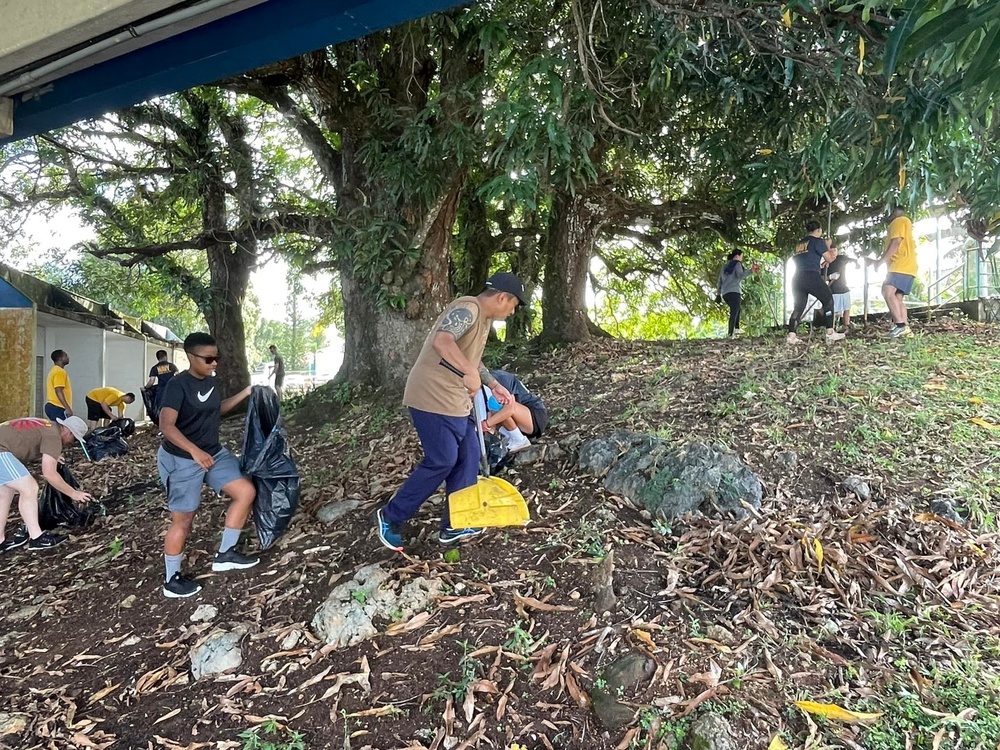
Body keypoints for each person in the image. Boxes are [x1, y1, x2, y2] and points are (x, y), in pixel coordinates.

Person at [376, 272, 525, 552]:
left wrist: (493, 385)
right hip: (432, 396)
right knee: (442, 459)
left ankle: (456, 522)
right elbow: (442, 341)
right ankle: (391, 516)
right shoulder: (468, 308)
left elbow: (473, 362)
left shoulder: (484, 320)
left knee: (468, 456)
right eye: (514, 304)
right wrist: (468, 372)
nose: (513, 310)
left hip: (457, 400)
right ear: (502, 297)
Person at [157, 332, 257, 598]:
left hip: (212, 453)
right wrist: (194, 451)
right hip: (181, 458)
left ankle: (225, 554)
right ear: (191, 357)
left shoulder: (212, 383)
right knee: (184, 520)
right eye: (209, 359)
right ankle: (171, 580)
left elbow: (216, 408)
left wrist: (246, 393)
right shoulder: (177, 386)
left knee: (246, 492)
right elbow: (165, 425)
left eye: (217, 358)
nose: (214, 363)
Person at [0, 415, 93, 552]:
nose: (71, 442)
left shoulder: (47, 426)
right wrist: (74, 493)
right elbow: (49, 473)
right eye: (73, 439)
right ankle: (37, 538)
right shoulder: (54, 436)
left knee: (5, 493)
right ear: (68, 432)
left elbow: (27, 439)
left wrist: (53, 454)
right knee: (30, 488)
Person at [787, 221, 846, 344]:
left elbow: (808, 258)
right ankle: (830, 332)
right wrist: (828, 246)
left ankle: (791, 335)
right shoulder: (818, 242)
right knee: (828, 299)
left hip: (797, 277)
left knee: (799, 306)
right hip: (811, 276)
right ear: (818, 230)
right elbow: (830, 258)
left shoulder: (800, 243)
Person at [481, 370, 547, 453]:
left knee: (496, 404)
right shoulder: (483, 389)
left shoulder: (499, 378)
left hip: (534, 416)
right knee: (492, 410)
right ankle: (512, 437)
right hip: (520, 422)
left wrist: (486, 424)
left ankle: (519, 440)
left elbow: (509, 408)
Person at [881, 207, 917, 338]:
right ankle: (906, 329)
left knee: (887, 290)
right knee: (897, 297)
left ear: (894, 212)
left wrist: (881, 261)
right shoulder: (904, 223)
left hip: (900, 265)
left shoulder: (898, 221)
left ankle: (900, 325)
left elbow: (896, 242)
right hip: (908, 266)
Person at [716, 251, 758, 337]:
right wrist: (751, 270)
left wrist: (718, 294)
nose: (741, 258)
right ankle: (731, 332)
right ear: (737, 256)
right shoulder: (737, 264)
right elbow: (740, 275)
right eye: (741, 256)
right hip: (734, 290)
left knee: (735, 309)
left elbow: (719, 281)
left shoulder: (724, 267)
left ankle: (735, 329)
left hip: (725, 293)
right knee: (735, 310)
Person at [824, 247, 856, 332]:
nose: (833, 252)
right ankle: (832, 329)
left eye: (835, 250)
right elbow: (822, 278)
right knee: (833, 311)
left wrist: (856, 263)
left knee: (847, 309)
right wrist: (829, 277)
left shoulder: (841, 258)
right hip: (834, 290)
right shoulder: (826, 264)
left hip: (844, 288)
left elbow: (851, 259)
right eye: (831, 251)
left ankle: (847, 326)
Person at [144, 350, 179, 417]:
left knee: (162, 408)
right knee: (174, 406)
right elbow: (178, 376)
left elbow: (151, 381)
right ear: (165, 356)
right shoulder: (172, 366)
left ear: (157, 358)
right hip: (172, 389)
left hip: (161, 391)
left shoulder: (154, 368)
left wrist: (145, 388)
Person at [44, 350, 73, 421]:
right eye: (65, 356)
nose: (68, 357)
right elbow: (58, 391)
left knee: (59, 431)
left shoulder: (54, 370)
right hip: (58, 407)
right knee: (62, 431)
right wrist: (67, 408)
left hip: (53, 406)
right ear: (60, 358)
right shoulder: (59, 372)